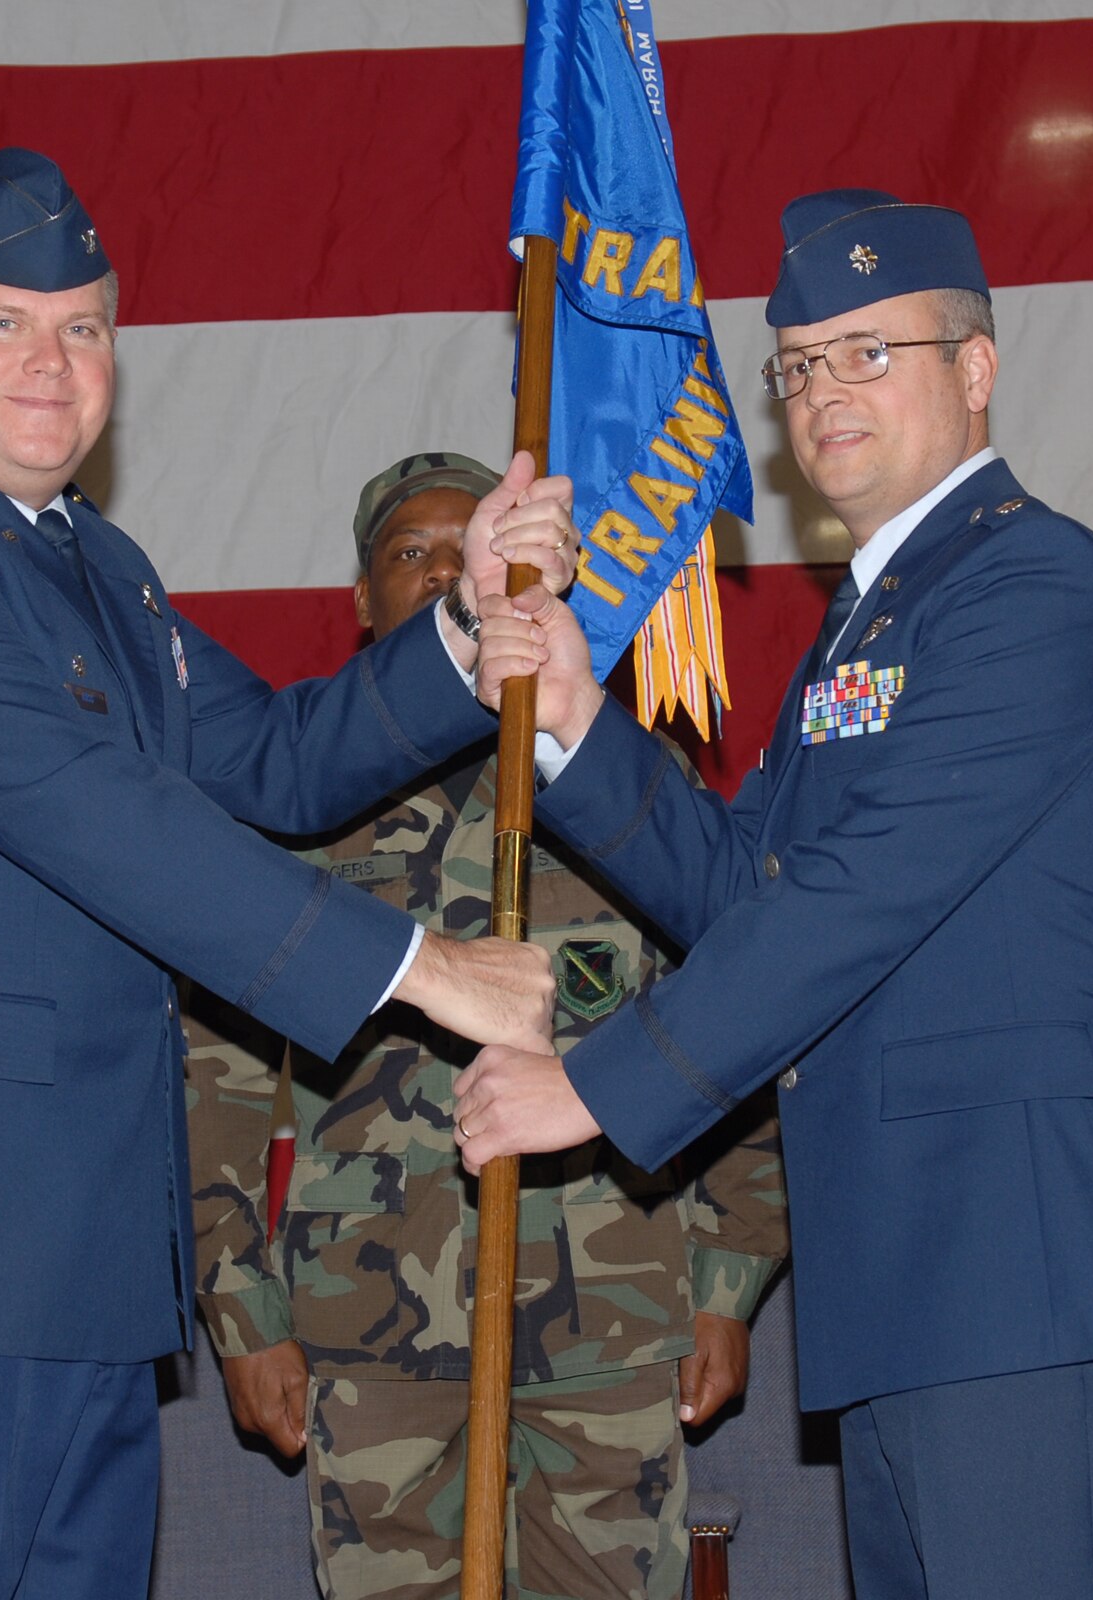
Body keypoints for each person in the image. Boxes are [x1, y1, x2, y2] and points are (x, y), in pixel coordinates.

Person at [0, 149, 579, 1600]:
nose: (52, 363)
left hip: (82, 1267)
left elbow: (276, 762)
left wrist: (461, 624)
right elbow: (84, 808)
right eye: (6, 324)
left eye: (85, 327)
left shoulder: (97, 567)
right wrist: (425, 972)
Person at [453, 190, 1093, 1600]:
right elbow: (746, 887)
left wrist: (597, 1087)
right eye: (801, 363)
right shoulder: (868, 625)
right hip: (905, 1278)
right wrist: (579, 724)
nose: (825, 392)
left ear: (977, 367)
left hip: (1023, 1271)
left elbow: (862, 894)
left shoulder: (1031, 586)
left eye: (870, 351)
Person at [182, 452, 788, 1600]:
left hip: (608, 1333)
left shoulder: (620, 775)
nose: (440, 572)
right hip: (371, 1339)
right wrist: (242, 1312)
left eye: (473, 547)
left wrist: (725, 1277)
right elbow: (207, 1084)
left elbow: (744, 1012)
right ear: (363, 604)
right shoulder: (298, 798)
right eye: (409, 556)